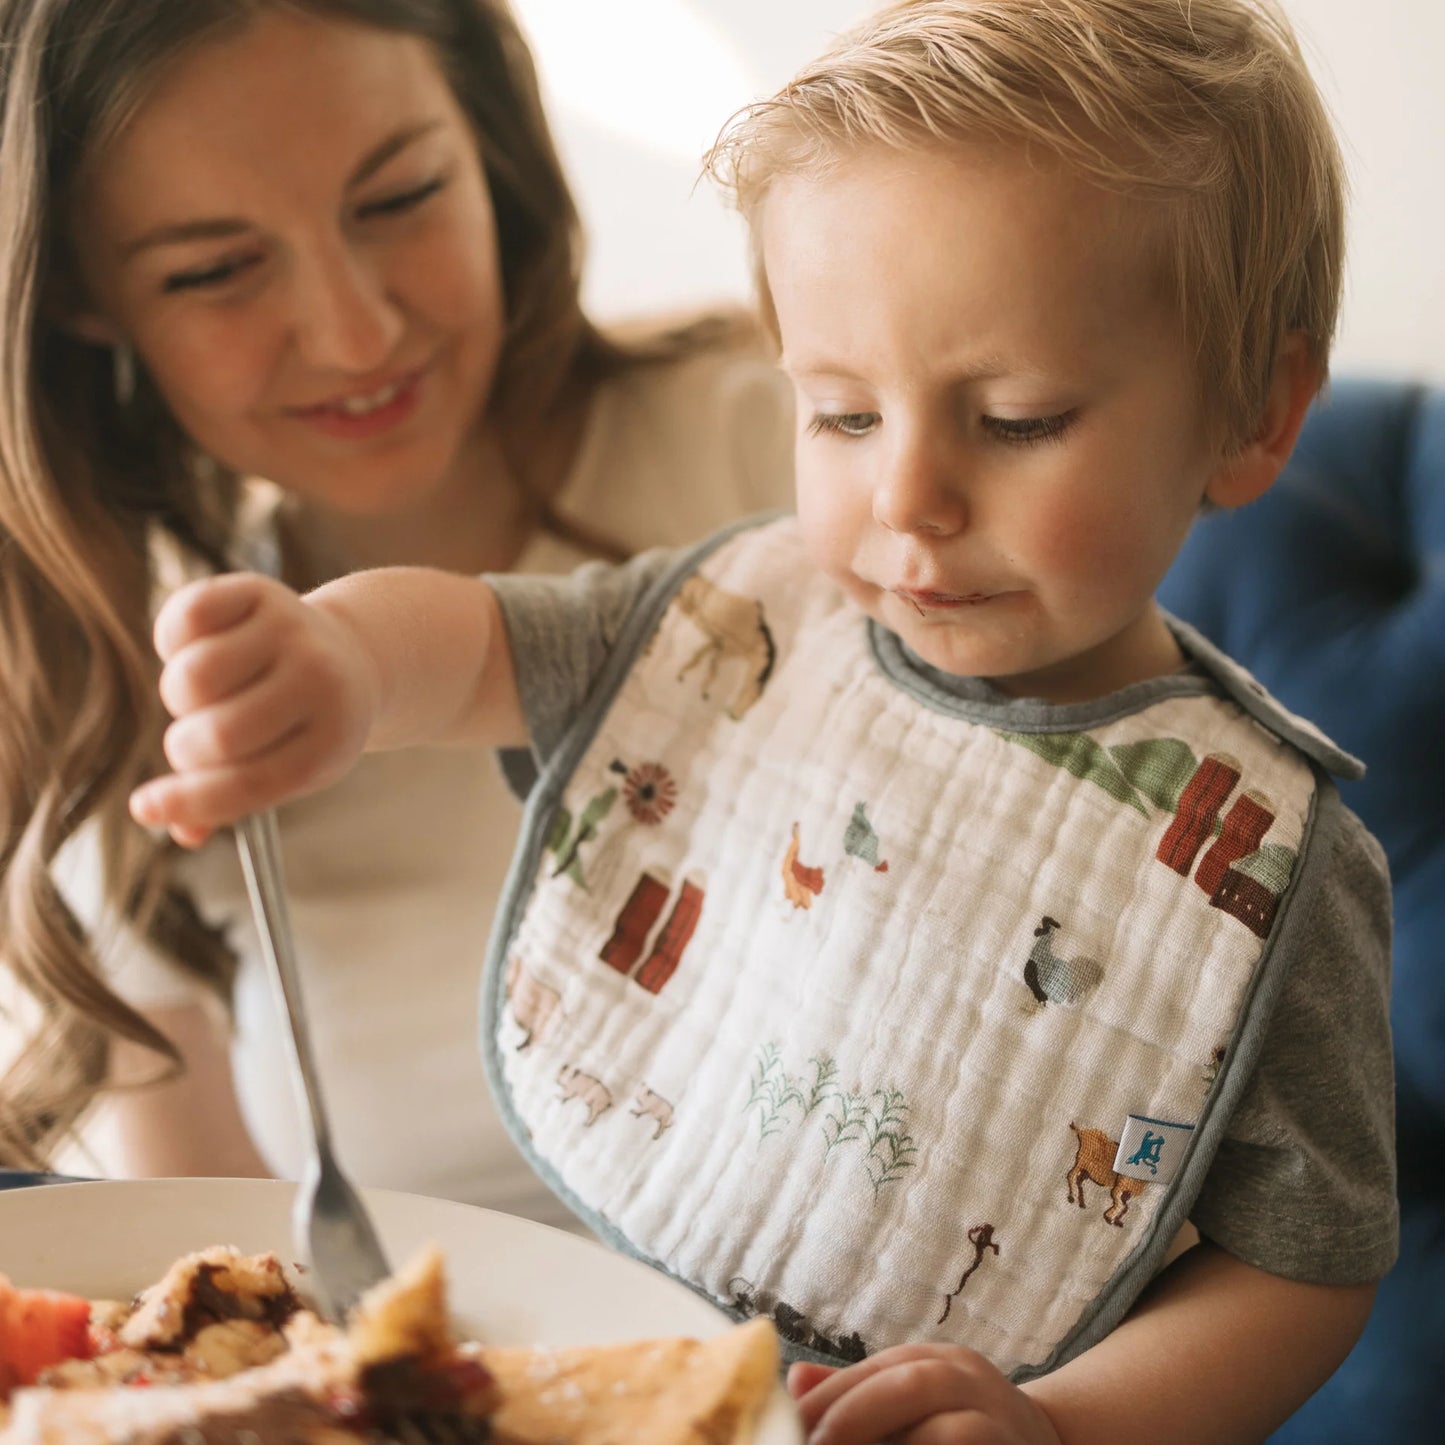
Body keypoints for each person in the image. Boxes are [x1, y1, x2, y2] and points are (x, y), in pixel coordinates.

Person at [130, 0, 1398, 1439]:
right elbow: (487, 642)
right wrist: (344, 662)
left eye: (1020, 417)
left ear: (1254, 413)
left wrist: (1068, 1423)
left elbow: (1307, 1264)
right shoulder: (744, 627)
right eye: (843, 416)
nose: (907, 498)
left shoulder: (1271, 866)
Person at [0, 0, 793, 1225]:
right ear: (80, 303)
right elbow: (227, 1318)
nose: (355, 330)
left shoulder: (802, 451)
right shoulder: (147, 724)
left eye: (397, 197)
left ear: (486, 143)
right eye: (214, 269)